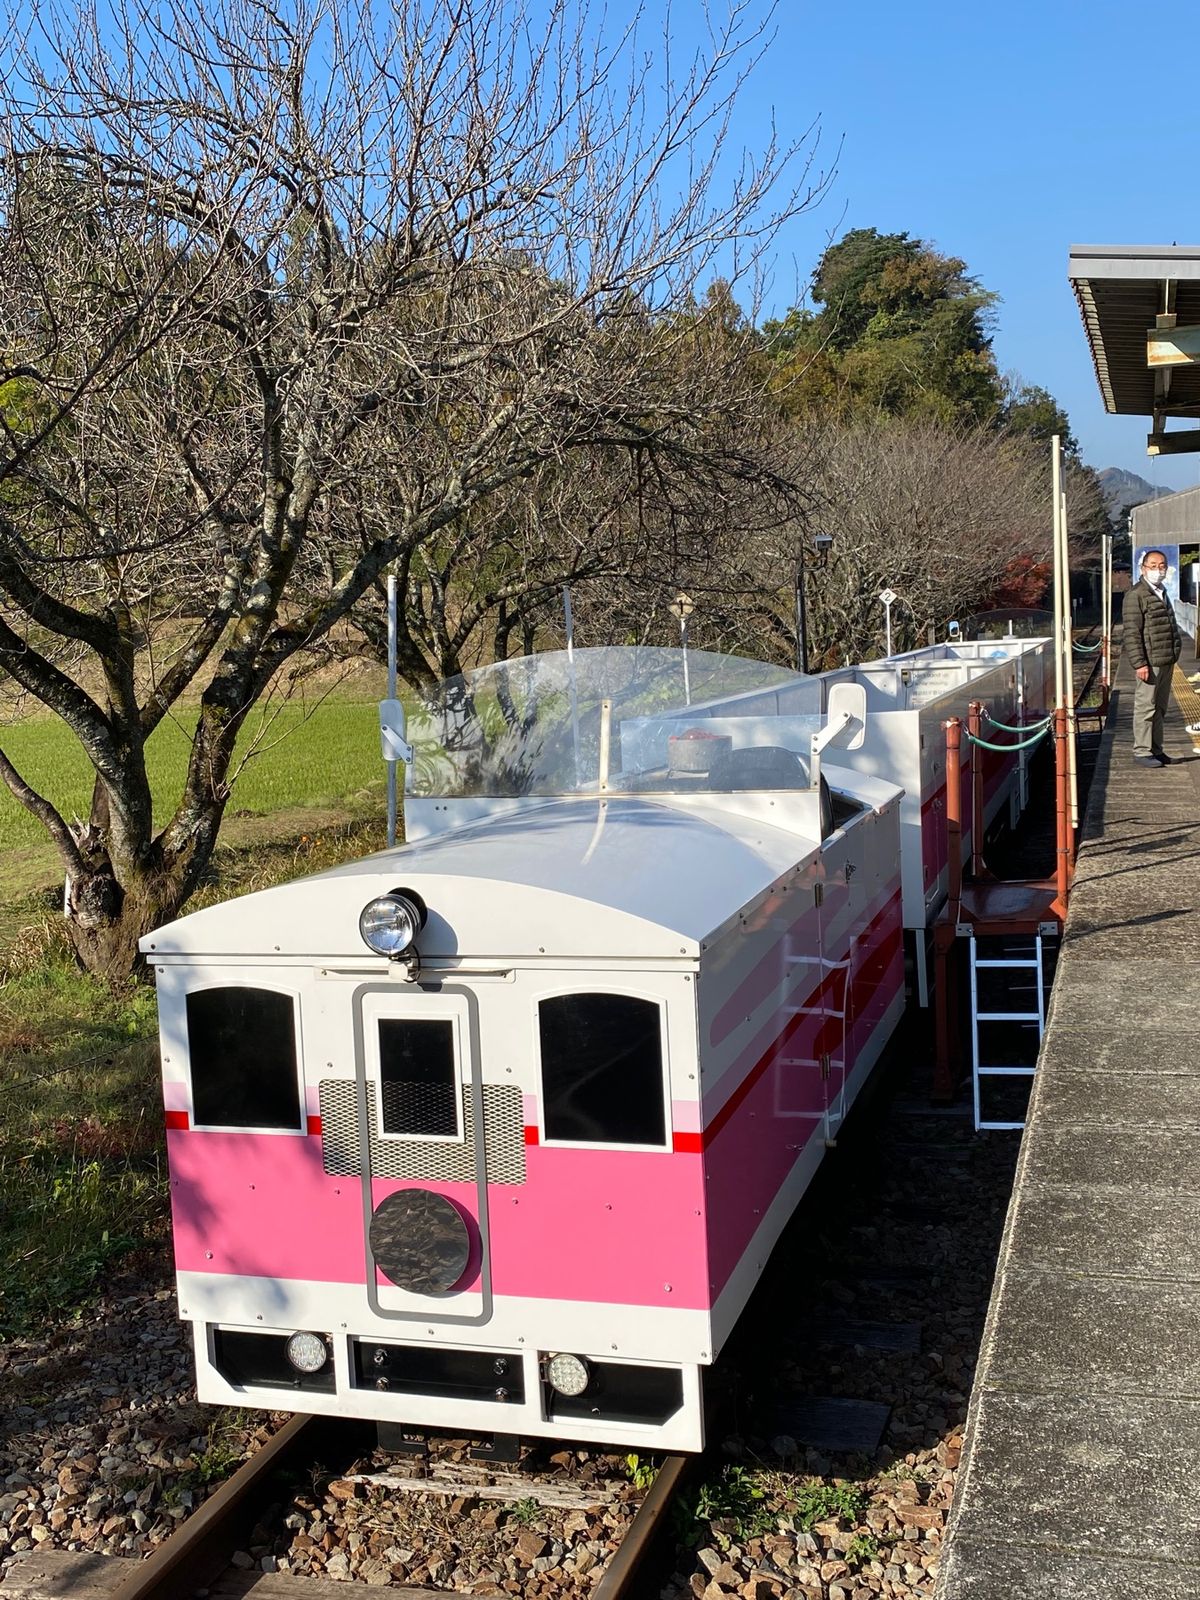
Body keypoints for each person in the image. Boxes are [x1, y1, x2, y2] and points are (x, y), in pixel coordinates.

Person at [1122, 549, 1182, 766]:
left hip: (1166, 659)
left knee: (1160, 707)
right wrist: (1140, 663)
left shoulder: (1161, 592)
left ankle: (1157, 749)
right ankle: (1142, 751)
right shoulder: (1136, 595)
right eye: (1153, 565)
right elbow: (1132, 632)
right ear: (1143, 568)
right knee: (1146, 706)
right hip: (1149, 661)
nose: (1159, 570)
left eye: (1162, 565)